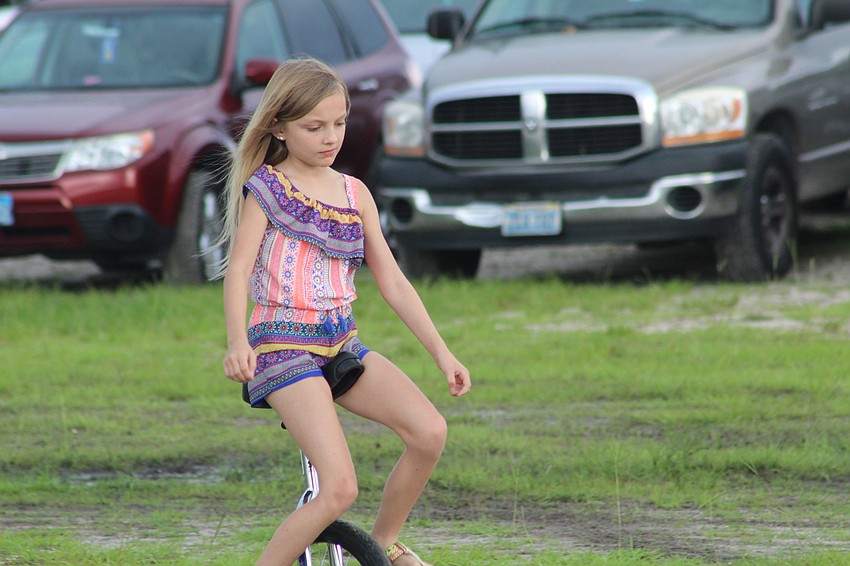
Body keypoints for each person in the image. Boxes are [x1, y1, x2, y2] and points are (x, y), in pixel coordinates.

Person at [217, 57, 472, 566]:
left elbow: (393, 282)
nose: (330, 136)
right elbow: (238, 270)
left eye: (339, 123)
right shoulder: (266, 190)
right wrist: (236, 341)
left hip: (340, 344)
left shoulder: (354, 194)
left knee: (430, 432)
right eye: (314, 127)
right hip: (282, 348)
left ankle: (384, 544)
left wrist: (442, 354)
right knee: (338, 489)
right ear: (279, 128)